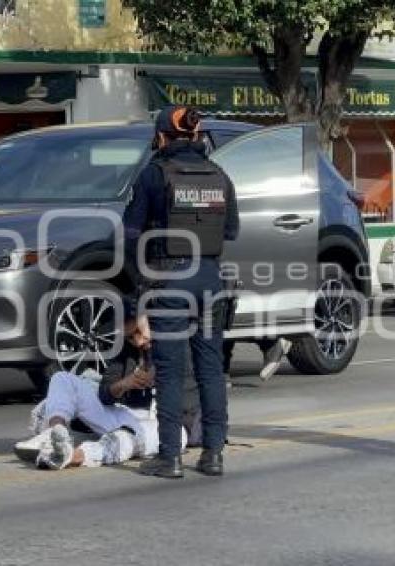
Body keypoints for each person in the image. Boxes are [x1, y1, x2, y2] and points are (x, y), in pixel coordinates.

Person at [124, 106, 239, 479]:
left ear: (160, 138)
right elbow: (231, 230)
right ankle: (214, 454)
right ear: (195, 136)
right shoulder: (220, 175)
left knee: (171, 372)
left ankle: (170, 456)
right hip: (210, 279)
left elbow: (130, 234)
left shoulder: (154, 175)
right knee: (211, 370)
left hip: (169, 279)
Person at [15, 347, 192, 470]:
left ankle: (72, 456)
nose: (137, 339)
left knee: (125, 436)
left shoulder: (177, 348)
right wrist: (124, 384)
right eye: (132, 334)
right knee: (62, 379)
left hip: (166, 423)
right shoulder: (127, 349)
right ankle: (54, 432)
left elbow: (191, 396)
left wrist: (160, 379)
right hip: (124, 413)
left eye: (139, 331)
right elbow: (105, 394)